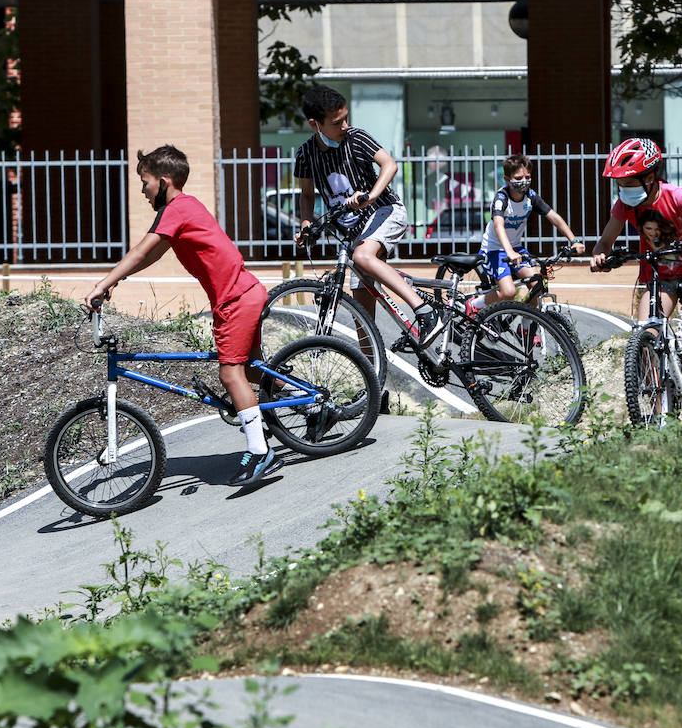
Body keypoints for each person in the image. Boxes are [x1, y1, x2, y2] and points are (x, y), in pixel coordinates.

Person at [84, 145, 280, 485]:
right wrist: (117, 281)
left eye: (144, 183)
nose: (142, 191)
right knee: (249, 368)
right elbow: (152, 255)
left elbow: (142, 248)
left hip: (236, 298)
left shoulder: (176, 208)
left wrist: (103, 282)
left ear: (163, 182)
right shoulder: (182, 210)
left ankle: (260, 451)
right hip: (238, 295)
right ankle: (306, 406)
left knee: (230, 374)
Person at [589, 137, 682, 427]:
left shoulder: (675, 195)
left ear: (651, 177)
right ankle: (659, 415)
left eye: (631, 182)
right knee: (645, 338)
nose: (625, 189)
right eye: (622, 183)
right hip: (659, 275)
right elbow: (605, 241)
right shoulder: (624, 206)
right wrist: (599, 257)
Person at [293, 84, 445, 345]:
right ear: (315, 124)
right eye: (336, 122)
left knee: (362, 257)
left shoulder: (356, 138)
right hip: (355, 232)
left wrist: (370, 195)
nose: (344, 126)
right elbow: (306, 195)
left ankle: (426, 312)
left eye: (346, 119)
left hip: (386, 211)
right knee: (361, 305)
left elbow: (390, 164)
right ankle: (373, 377)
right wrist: (307, 225)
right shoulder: (306, 154)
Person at [466, 154, 586, 314]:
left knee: (539, 285)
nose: (524, 181)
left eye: (527, 177)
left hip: (515, 249)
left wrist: (574, 240)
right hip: (494, 249)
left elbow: (554, 217)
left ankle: (526, 326)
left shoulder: (531, 197)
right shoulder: (501, 199)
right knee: (508, 292)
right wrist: (509, 252)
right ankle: (474, 304)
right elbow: (498, 226)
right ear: (507, 179)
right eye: (518, 177)